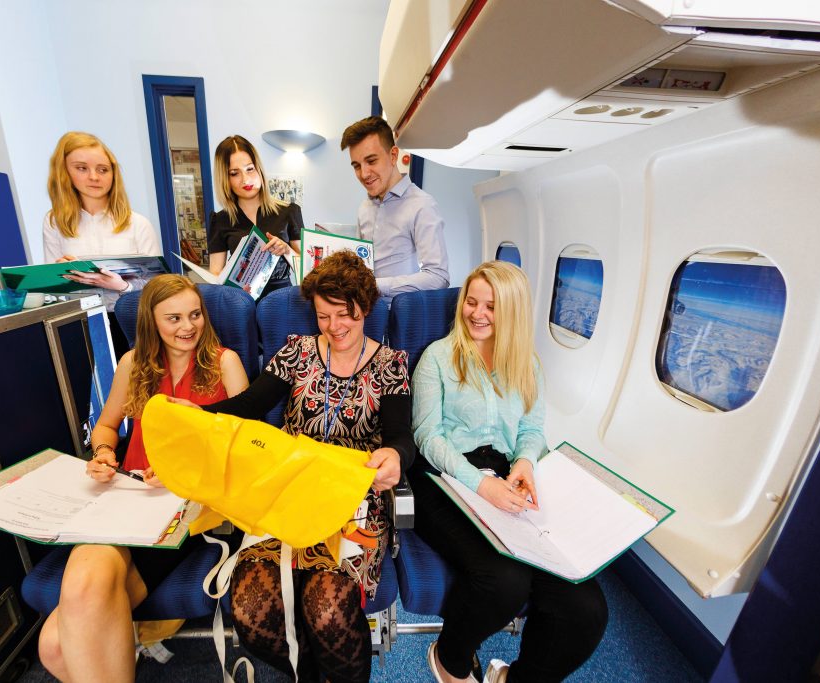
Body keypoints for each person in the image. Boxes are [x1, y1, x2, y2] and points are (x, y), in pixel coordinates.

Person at [175, 251, 412, 683]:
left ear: (366, 308)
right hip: (287, 491)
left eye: (346, 315)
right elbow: (247, 407)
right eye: (324, 316)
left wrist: (396, 456)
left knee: (327, 609)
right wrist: (194, 415)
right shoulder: (297, 352)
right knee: (250, 612)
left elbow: (400, 438)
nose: (335, 327)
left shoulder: (390, 366)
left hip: (351, 502)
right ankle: (313, 674)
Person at [36, 274, 249, 683]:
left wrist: (180, 473)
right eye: (173, 318)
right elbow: (106, 427)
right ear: (151, 322)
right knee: (53, 645)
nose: (188, 327)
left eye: (195, 315)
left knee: (57, 644)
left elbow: (244, 450)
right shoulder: (134, 363)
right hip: (129, 498)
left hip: (187, 507)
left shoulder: (225, 363)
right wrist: (103, 454)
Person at [410, 262, 607, 683]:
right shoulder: (438, 358)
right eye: (472, 302)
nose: (476, 313)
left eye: (492, 306)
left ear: (513, 312)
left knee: (585, 608)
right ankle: (450, 658)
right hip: (445, 477)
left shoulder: (528, 365)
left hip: (506, 476)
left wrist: (523, 463)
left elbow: (533, 430)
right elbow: (428, 437)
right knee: (503, 581)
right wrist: (483, 486)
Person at [43, 131, 162, 354]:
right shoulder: (54, 223)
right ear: (64, 172)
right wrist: (61, 274)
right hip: (83, 321)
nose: (94, 177)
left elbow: (156, 286)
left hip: (132, 320)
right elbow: (53, 292)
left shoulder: (138, 224)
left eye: (102, 169)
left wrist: (123, 286)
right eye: (82, 168)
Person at [340, 115, 449, 297]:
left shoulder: (422, 205)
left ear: (393, 156)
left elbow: (438, 277)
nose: (364, 173)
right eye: (356, 166)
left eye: (372, 161)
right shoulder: (364, 208)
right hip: (364, 313)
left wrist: (375, 286)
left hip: (402, 317)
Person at [208, 135, 303, 299]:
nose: (245, 179)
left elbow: (307, 270)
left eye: (249, 169)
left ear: (258, 168)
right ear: (225, 178)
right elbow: (215, 276)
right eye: (234, 173)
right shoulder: (220, 220)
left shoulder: (289, 211)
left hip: (283, 302)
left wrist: (286, 250)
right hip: (241, 304)